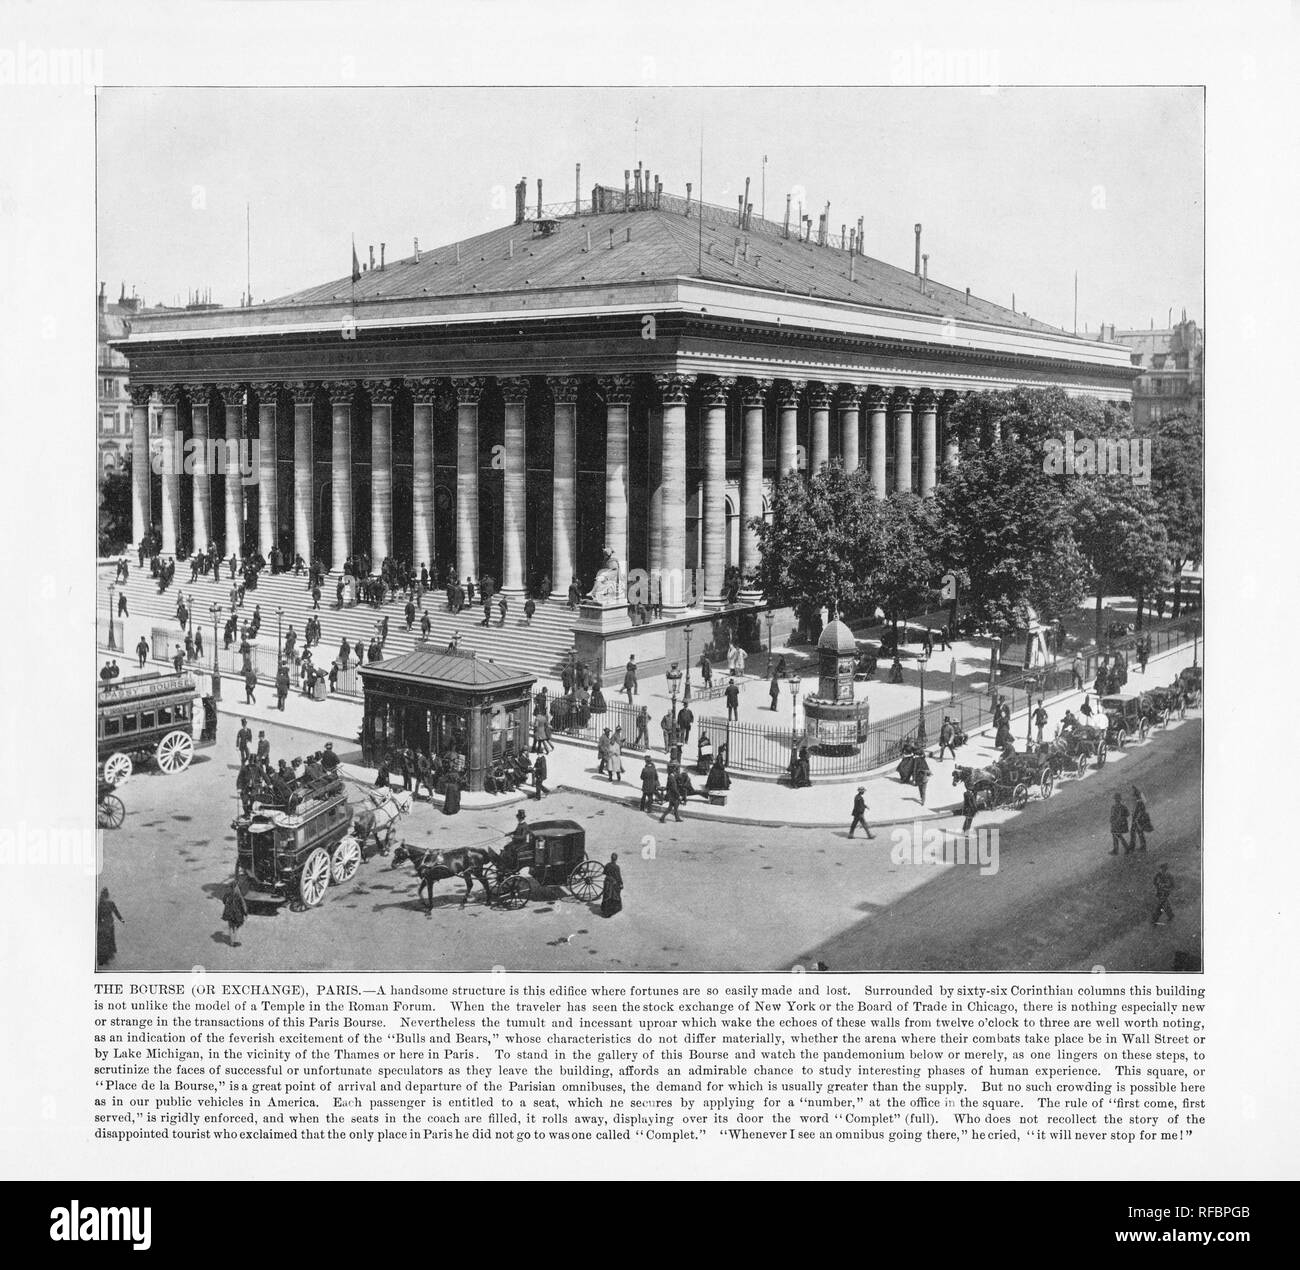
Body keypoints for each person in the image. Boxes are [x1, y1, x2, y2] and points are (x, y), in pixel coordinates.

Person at [96, 888, 125, 966]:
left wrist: (98, 925)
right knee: (110, 940)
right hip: (109, 925)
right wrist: (122, 920)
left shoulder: (100, 904)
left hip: (102, 926)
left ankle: (103, 958)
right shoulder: (111, 903)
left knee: (103, 942)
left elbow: (97, 916)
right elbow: (116, 912)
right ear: (108, 895)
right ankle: (109, 955)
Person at [600, 852, 624, 917]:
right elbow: (618, 877)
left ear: (611, 858)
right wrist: (621, 884)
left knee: (606, 896)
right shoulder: (617, 867)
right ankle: (611, 910)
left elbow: (604, 873)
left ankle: (604, 910)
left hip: (607, 882)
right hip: (613, 883)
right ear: (616, 859)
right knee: (614, 896)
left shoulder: (607, 865)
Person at [1130, 787, 1153, 852]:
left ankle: (1143, 847)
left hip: (1139, 820)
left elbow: (1137, 812)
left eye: (1133, 795)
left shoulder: (1139, 803)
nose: (1132, 797)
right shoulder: (1140, 802)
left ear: (1135, 796)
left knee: (1140, 833)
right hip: (1139, 820)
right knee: (1140, 833)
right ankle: (1142, 847)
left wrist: (1135, 819)